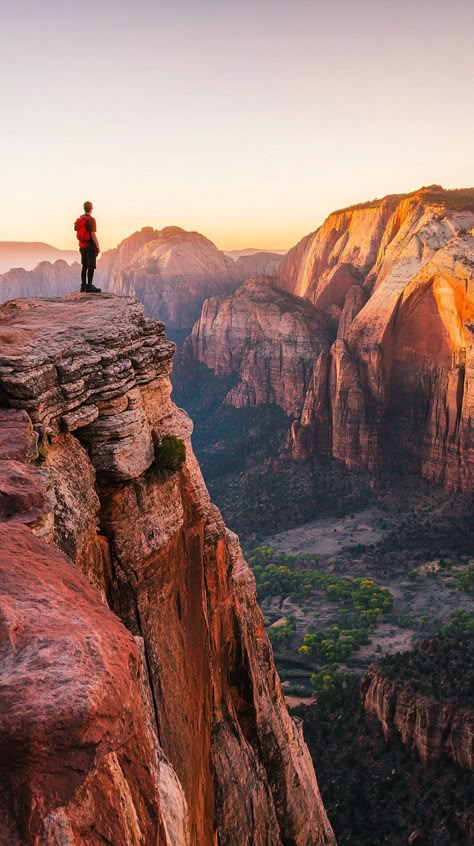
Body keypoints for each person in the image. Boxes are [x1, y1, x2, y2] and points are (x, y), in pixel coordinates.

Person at [75, 201, 101, 293]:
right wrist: (97, 246)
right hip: (90, 246)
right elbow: (93, 234)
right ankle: (89, 286)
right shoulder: (91, 220)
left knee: (84, 266)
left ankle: (83, 285)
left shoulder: (79, 219)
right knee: (91, 266)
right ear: (91, 208)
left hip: (82, 246)